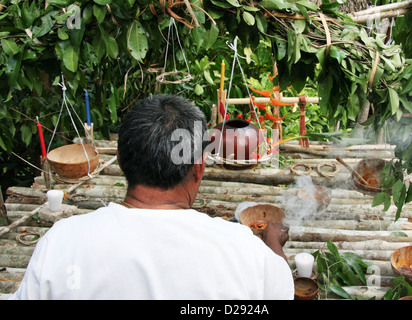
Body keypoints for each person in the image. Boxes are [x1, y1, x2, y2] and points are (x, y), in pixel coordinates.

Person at [10, 94, 294, 300]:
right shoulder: (247, 251)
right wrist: (272, 245)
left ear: (120, 161)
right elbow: (283, 290)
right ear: (199, 168)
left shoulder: (62, 242)